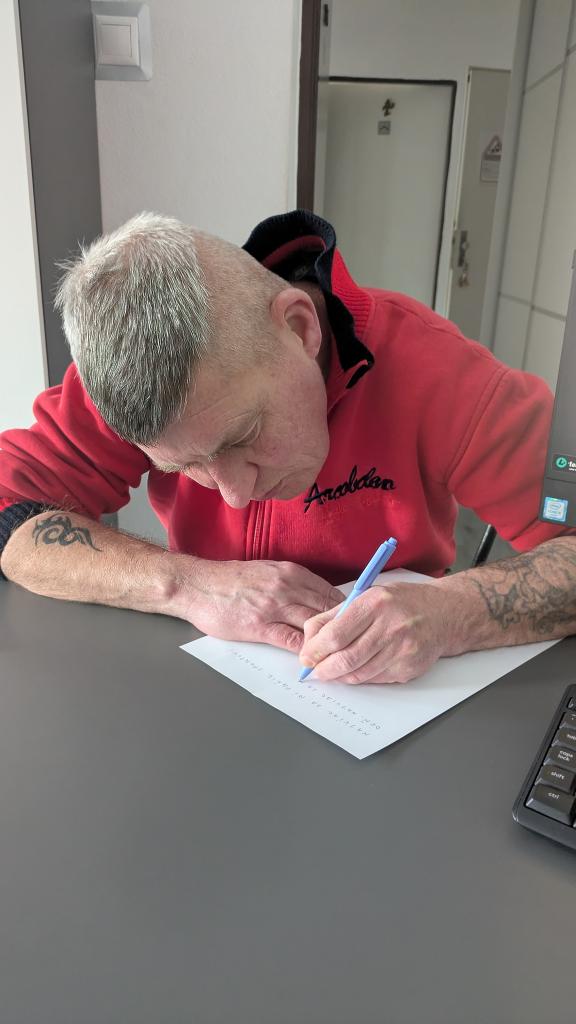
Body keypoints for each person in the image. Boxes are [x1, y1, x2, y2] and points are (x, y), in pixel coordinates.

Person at [1, 210, 575, 685]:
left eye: (244, 434)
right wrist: (186, 584)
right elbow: (10, 510)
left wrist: (453, 614)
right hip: (209, 680)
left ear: (300, 329)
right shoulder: (132, 383)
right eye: (184, 465)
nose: (234, 495)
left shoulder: (443, 377)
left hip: (394, 688)